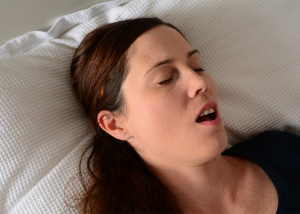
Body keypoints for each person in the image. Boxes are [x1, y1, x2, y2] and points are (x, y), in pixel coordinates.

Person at [69, 17, 300, 214]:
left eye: (197, 67)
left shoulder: (284, 152)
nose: (200, 81)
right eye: (165, 79)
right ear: (115, 125)